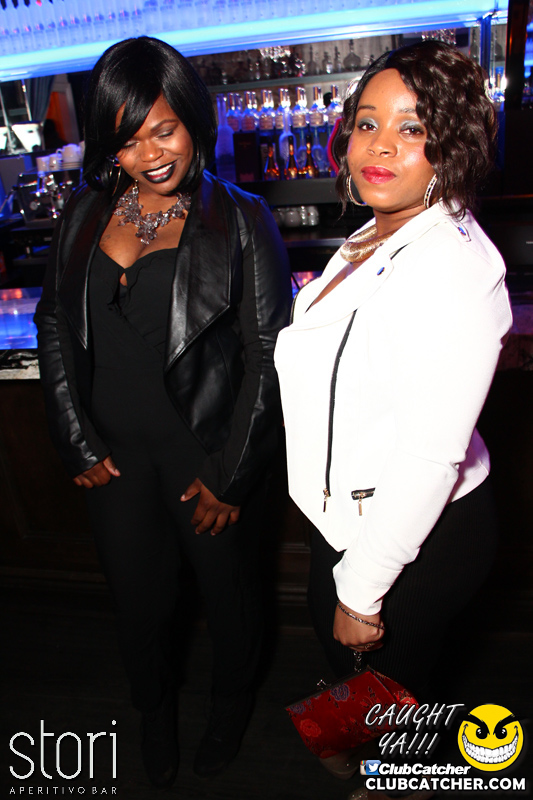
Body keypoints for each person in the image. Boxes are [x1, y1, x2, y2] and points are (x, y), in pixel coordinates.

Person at [34, 36, 291, 789]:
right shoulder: (85, 210)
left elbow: (269, 354)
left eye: (164, 130)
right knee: (138, 604)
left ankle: (229, 707)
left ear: (193, 119)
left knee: (229, 600)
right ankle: (152, 710)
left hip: (202, 458)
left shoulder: (240, 218)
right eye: (126, 138)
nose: (148, 154)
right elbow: (55, 323)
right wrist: (76, 439)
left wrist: (232, 475)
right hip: (114, 461)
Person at [274, 40, 512, 792]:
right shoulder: (380, 230)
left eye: (412, 128)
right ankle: (358, 759)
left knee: (393, 708)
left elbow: (428, 456)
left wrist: (361, 591)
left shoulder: (454, 269)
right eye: (367, 123)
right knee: (358, 682)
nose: (379, 146)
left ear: (453, 144)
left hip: (413, 536)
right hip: (348, 517)